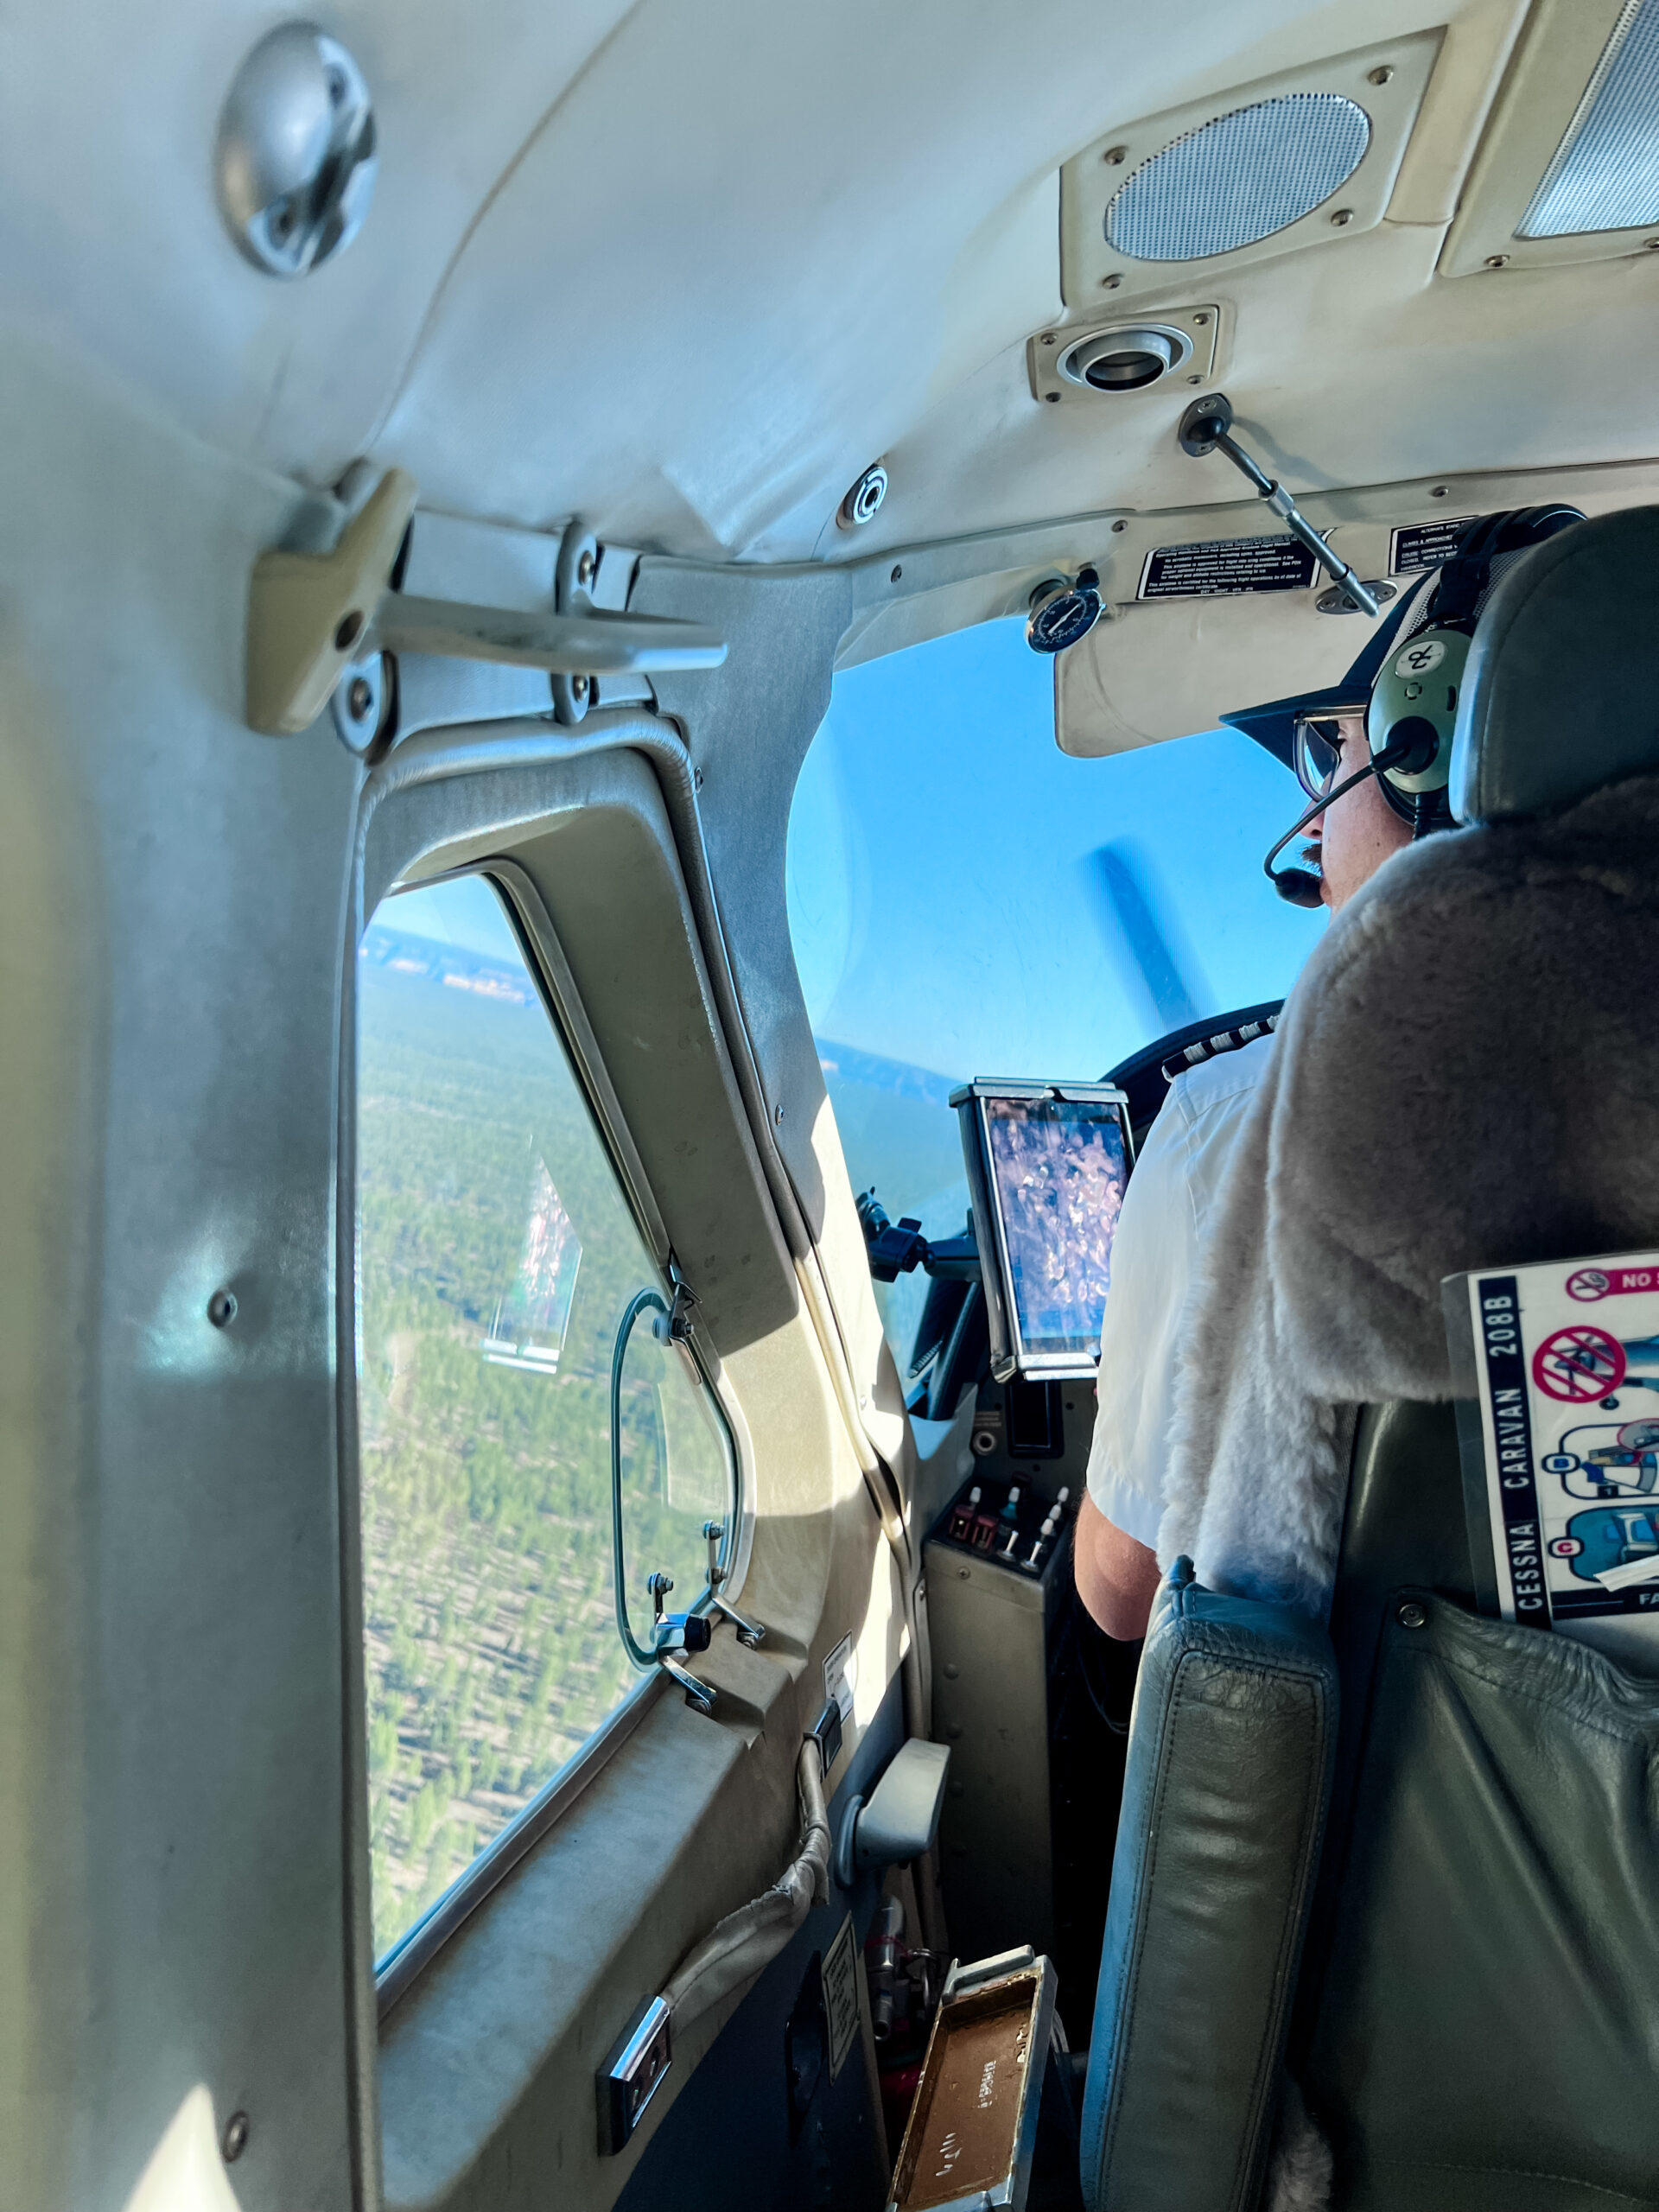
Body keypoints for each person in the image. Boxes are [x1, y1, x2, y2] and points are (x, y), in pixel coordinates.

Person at [1071, 506, 1583, 1641]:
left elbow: (1122, 1594)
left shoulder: (1232, 1121)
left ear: (1423, 746)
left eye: (1332, 753)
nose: (1310, 827)